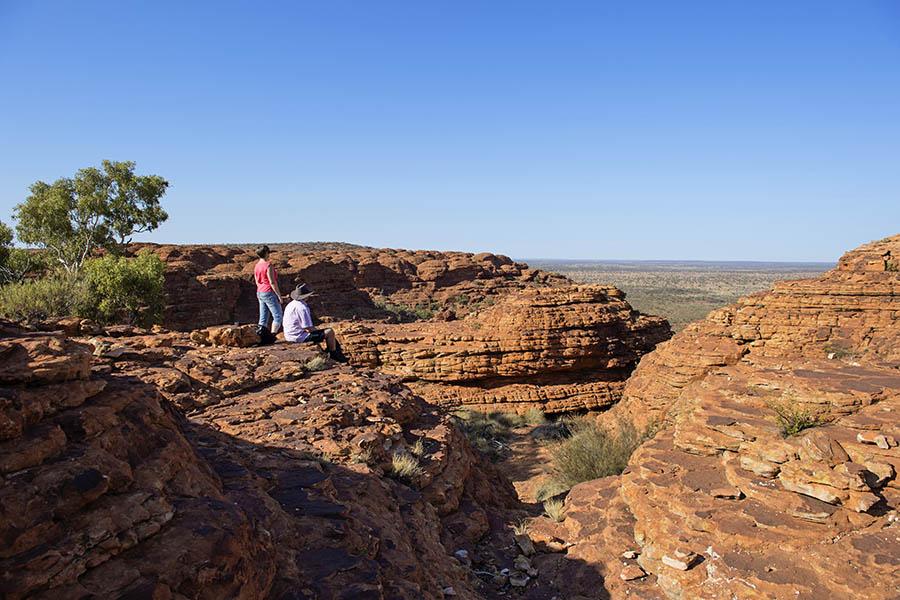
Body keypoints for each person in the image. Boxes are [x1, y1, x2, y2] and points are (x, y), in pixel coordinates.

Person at [283, 283, 348, 362]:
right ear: (306, 296)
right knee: (330, 332)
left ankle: (335, 353)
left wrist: (319, 332)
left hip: (289, 335)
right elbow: (308, 327)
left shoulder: (291, 304)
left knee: (325, 333)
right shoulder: (302, 308)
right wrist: (319, 333)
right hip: (298, 337)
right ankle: (334, 354)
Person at [254, 245, 283, 334]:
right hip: (269, 292)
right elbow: (272, 282)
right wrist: (279, 296)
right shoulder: (268, 265)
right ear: (266, 253)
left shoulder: (257, 265)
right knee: (278, 316)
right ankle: (272, 335)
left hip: (260, 292)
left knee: (263, 318)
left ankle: (260, 336)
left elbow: (256, 281)